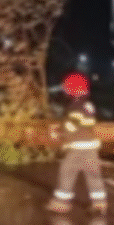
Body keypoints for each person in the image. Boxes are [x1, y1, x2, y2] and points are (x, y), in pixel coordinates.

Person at [46, 72, 107, 214]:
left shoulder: (74, 107)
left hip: (78, 147)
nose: (65, 91)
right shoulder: (88, 105)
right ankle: (100, 203)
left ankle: (61, 203)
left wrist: (58, 133)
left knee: (67, 172)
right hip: (91, 145)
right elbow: (87, 123)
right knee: (93, 175)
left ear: (72, 90)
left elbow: (71, 127)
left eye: (66, 88)